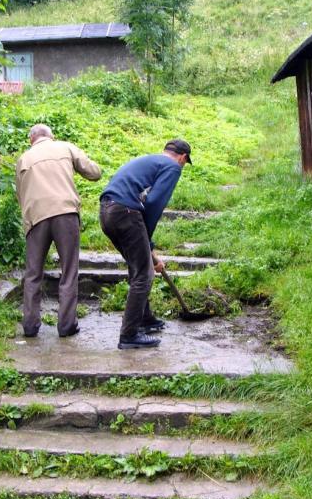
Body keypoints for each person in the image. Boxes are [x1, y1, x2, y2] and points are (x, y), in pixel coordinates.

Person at [99, 139, 192, 349]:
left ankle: (145, 318)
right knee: (145, 273)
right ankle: (129, 335)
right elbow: (153, 203)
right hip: (126, 212)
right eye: (185, 163)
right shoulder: (172, 167)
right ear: (183, 158)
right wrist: (147, 244)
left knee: (138, 266)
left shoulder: (151, 160)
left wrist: (147, 250)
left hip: (107, 211)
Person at [16, 124, 102, 338]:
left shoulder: (23, 159)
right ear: (51, 136)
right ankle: (66, 325)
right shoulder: (65, 147)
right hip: (65, 213)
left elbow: (20, 194)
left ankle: (29, 325)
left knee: (33, 273)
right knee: (69, 270)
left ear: (31, 140)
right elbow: (94, 173)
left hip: (36, 217)